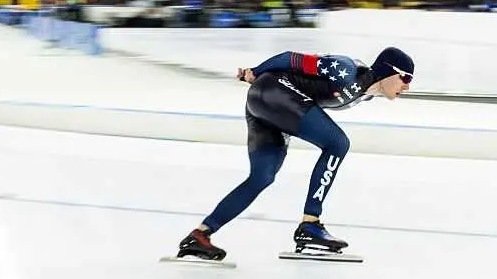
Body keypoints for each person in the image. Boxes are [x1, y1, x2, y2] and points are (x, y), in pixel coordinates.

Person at [174, 46, 415, 262]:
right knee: (337, 143)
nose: (407, 85)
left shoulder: (367, 93)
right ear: (388, 72)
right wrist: (255, 71)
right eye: (405, 77)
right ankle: (310, 225)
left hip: (265, 105)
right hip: (273, 91)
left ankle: (200, 235)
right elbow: (292, 58)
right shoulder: (348, 69)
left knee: (262, 177)